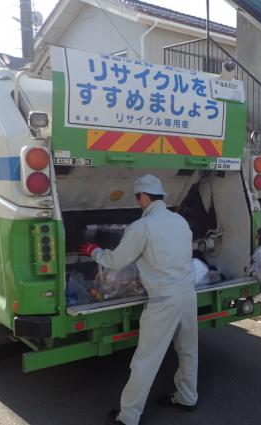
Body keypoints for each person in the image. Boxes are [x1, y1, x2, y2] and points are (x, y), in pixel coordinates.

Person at [79, 174, 198, 425]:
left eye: (137, 198)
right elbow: (173, 257)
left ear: (144, 197)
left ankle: (129, 417)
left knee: (146, 359)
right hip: (187, 293)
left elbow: (115, 261)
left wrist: (94, 251)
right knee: (187, 350)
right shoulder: (180, 221)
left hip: (164, 300)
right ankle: (187, 397)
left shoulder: (141, 227)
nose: (137, 203)